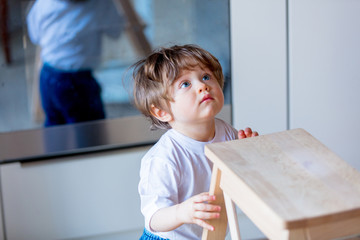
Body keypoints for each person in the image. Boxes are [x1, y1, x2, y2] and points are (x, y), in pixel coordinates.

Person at [132, 44, 259, 240]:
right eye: (185, 84)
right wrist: (182, 212)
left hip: (210, 235)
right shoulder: (163, 158)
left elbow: (241, 174)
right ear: (162, 112)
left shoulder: (226, 131)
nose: (203, 85)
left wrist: (249, 150)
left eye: (206, 76)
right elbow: (154, 218)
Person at [26, 0, 125, 126]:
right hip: (78, 81)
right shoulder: (101, 4)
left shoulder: (43, 3)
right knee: (90, 130)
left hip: (48, 75)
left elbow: (35, 36)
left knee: (53, 124)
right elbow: (116, 31)